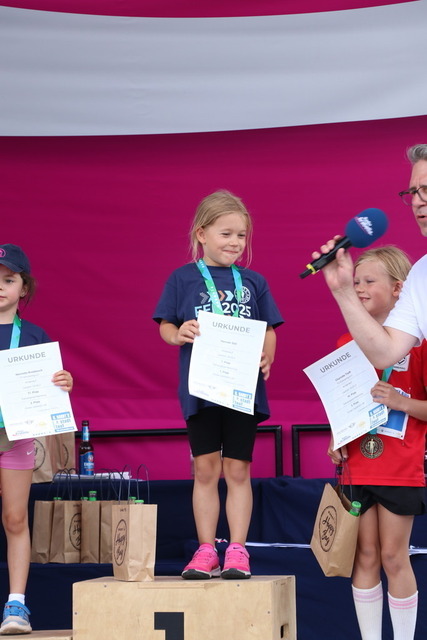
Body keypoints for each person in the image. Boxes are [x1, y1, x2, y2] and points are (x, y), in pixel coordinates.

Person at [153, 190, 283, 580]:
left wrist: (267, 355)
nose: (235, 243)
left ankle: (238, 550)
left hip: (242, 389)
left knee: (238, 469)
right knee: (206, 469)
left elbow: (269, 329)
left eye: (241, 235)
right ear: (202, 234)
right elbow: (165, 325)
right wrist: (177, 334)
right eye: (226, 234)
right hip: (201, 390)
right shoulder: (182, 278)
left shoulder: (254, 281)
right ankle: (207, 549)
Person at [327, 246, 426, 640]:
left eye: (370, 281)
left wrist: (401, 402)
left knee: (392, 556)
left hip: (402, 468)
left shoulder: (420, 345)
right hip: (358, 465)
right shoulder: (345, 343)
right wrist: (336, 437)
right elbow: (343, 406)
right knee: (364, 556)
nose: (360, 288)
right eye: (356, 282)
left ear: (400, 289)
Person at [0, 244, 73, 635]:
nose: (1, 287)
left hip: (16, 436)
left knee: (15, 517)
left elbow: (49, 386)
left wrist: (64, 381)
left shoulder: (34, 336)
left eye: (9, 280)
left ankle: (17, 605)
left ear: (23, 288)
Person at [314, 143, 427, 369]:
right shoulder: (420, 274)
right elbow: (385, 354)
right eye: (412, 193)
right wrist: (343, 291)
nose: (416, 202)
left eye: (426, 189)